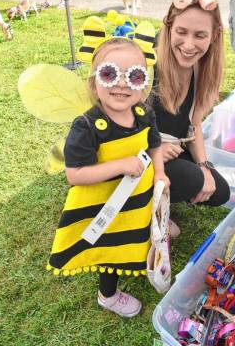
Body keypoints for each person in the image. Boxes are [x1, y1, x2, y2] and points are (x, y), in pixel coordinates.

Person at [47, 37, 169, 318]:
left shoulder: (143, 113)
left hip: (137, 199)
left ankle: (143, 248)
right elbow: (75, 174)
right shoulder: (87, 126)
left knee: (136, 234)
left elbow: (155, 143)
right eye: (110, 73)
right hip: (104, 207)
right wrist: (120, 165)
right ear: (94, 82)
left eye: (134, 76)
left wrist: (160, 173)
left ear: (144, 83)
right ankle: (108, 294)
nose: (122, 84)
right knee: (109, 249)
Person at [152, 0, 230, 213]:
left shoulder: (202, 70)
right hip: (134, 154)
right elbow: (115, 129)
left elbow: (193, 125)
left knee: (219, 191)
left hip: (169, 150)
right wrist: (153, 149)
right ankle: (142, 209)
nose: (189, 45)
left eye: (200, 35)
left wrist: (204, 167)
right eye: (181, 32)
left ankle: (163, 195)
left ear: (214, 36)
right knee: (190, 179)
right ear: (168, 27)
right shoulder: (147, 67)